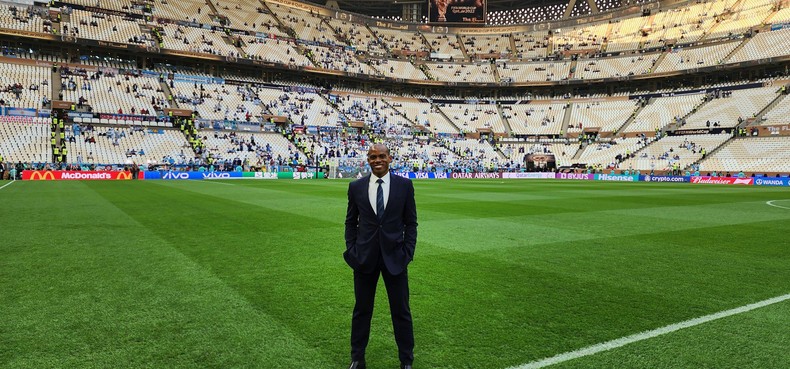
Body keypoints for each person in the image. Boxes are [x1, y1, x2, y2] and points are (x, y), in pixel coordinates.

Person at [344, 144, 417, 369]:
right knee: (362, 310)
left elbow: (411, 222)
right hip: (364, 259)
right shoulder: (356, 187)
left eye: (381, 156)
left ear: (390, 158)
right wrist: (353, 250)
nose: (377, 160)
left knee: (401, 311)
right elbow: (350, 222)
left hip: (395, 258)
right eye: (373, 157)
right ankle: (357, 358)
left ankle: (406, 359)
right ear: (368, 159)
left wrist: (407, 252)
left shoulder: (404, 186)